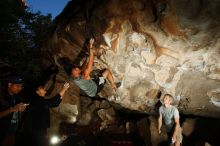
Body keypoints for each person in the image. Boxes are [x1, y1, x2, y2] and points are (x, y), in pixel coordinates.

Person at [0, 75, 27, 146]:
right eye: (17, 86)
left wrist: (21, 110)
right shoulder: (2, 96)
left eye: (21, 86)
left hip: (12, 133)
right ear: (9, 84)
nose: (20, 88)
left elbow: (17, 114)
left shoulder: (17, 97)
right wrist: (12, 109)